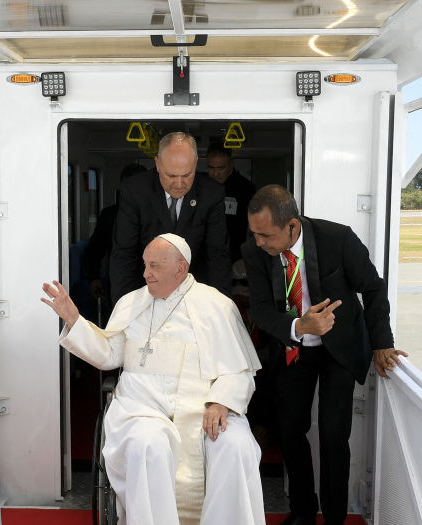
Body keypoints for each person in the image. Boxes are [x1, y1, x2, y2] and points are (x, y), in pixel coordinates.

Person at [41, 234, 265, 525]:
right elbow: (109, 355)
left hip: (205, 408)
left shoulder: (217, 305)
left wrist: (222, 402)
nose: (145, 273)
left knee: (235, 445)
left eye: (154, 266)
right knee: (148, 444)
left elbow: (239, 369)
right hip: (141, 408)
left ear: (180, 269)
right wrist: (74, 319)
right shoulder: (131, 303)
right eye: (145, 265)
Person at [241, 185, 407, 525]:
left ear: (291, 225)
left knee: (333, 436)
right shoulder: (254, 250)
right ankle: (302, 511)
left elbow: (373, 288)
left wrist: (382, 343)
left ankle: (333, 518)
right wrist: (299, 327)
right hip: (292, 349)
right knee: (291, 431)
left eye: (266, 235)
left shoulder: (338, 239)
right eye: (255, 234)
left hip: (338, 351)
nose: (259, 243)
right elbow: (258, 308)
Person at [110, 132, 232, 303]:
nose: (179, 185)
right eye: (171, 176)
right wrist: (122, 309)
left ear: (196, 163)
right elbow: (124, 254)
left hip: (194, 293)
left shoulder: (212, 194)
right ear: (158, 164)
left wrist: (222, 309)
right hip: (145, 290)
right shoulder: (135, 191)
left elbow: (218, 256)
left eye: (187, 175)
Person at [85, 163, 149, 308]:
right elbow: (94, 251)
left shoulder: (157, 214)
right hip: (120, 285)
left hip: (151, 285)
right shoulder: (109, 216)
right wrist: (93, 277)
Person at [203, 143, 256, 264]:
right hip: (205, 253)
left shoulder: (246, 189)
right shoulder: (201, 186)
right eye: (211, 168)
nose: (215, 174)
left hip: (234, 253)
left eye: (221, 168)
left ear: (231, 164)